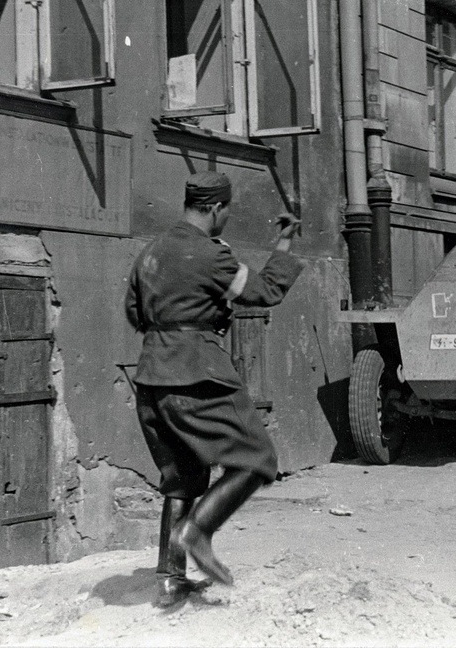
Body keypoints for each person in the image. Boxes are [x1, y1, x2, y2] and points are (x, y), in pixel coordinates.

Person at [125, 171, 303, 608]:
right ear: (216, 208)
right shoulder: (210, 255)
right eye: (227, 211)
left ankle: (170, 579)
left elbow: (134, 313)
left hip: (151, 377)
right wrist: (284, 245)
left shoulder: (149, 253)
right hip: (196, 373)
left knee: (182, 477)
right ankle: (199, 531)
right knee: (257, 459)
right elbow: (263, 291)